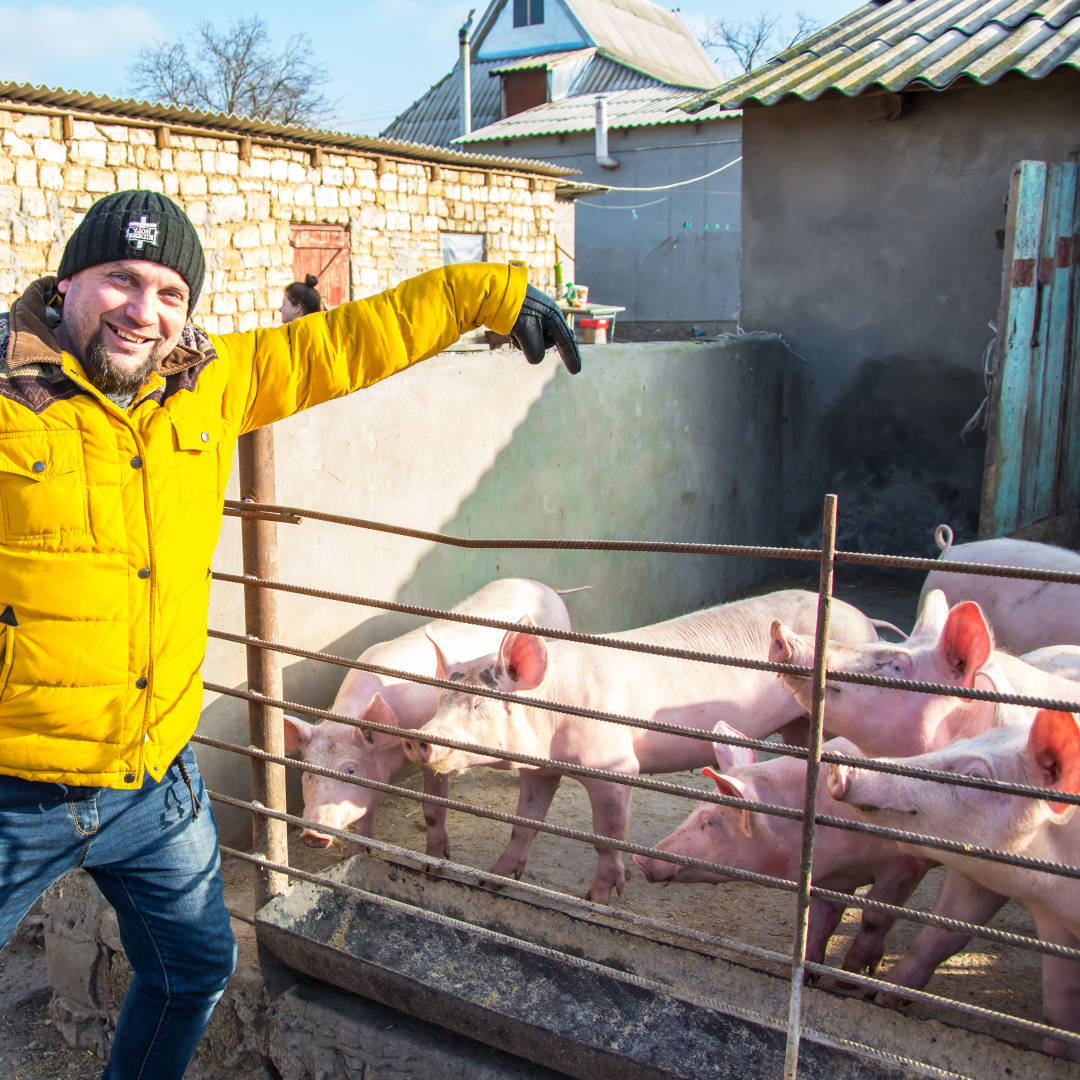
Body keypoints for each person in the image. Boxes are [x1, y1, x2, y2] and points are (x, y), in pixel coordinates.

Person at [0, 189, 580, 1080]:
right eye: (120, 279)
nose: (142, 312)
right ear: (69, 277)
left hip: (153, 780)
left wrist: (486, 295)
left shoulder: (210, 382)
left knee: (195, 969)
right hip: (15, 792)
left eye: (168, 292)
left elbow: (345, 343)